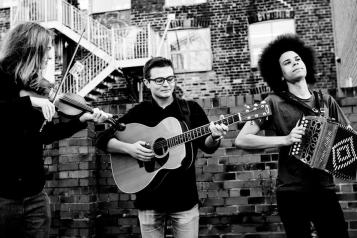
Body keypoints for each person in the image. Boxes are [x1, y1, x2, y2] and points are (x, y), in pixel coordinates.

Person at [96, 56, 228, 238]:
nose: (166, 84)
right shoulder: (139, 112)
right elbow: (102, 139)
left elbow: (208, 146)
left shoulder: (190, 109)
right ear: (147, 83)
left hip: (184, 201)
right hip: (149, 202)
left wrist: (214, 135)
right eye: (159, 80)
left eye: (170, 78)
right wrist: (129, 149)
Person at [235, 34, 350, 238]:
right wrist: (286, 139)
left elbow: (349, 140)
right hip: (291, 191)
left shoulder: (326, 101)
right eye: (287, 62)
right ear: (280, 74)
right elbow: (242, 139)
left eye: (297, 59)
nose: (294, 63)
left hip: (324, 188)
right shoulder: (271, 102)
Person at [0, 22, 109, 238]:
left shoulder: (38, 86)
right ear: (31, 48)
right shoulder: (2, 79)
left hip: (35, 195)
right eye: (48, 48)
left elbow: (45, 135)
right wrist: (30, 102)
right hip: (3, 196)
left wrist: (82, 120)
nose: (50, 56)